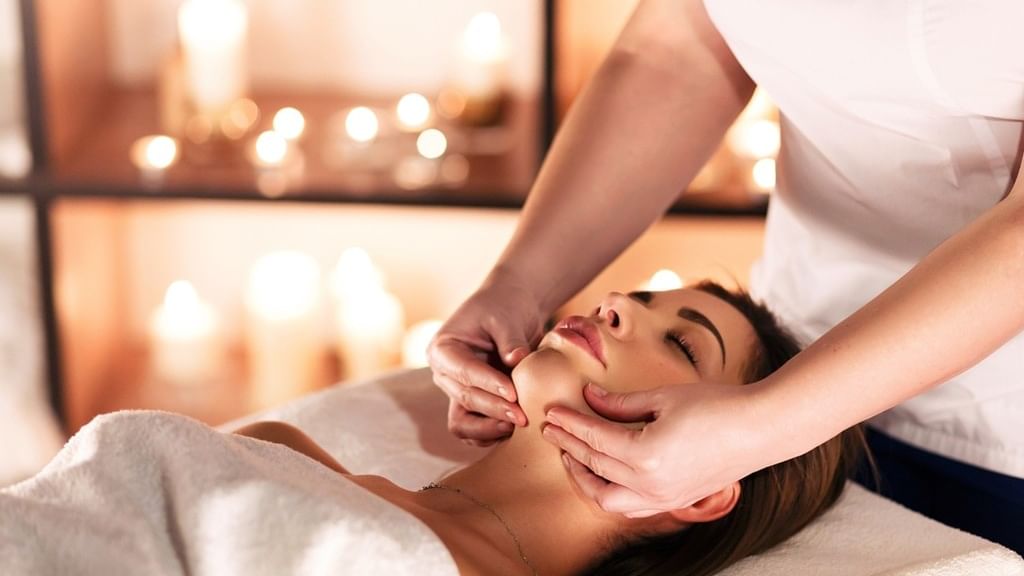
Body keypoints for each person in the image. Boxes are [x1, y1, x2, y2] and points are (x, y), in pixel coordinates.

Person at [427, 0, 1024, 554]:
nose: (612, 302)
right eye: (647, 300)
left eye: (681, 343)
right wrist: (518, 284)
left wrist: (765, 425)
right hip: (796, 348)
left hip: (995, 431)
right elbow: (678, 48)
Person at [1, 284, 864, 576]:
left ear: (709, 486)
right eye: (634, 296)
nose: (612, 304)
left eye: (680, 341)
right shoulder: (283, 447)